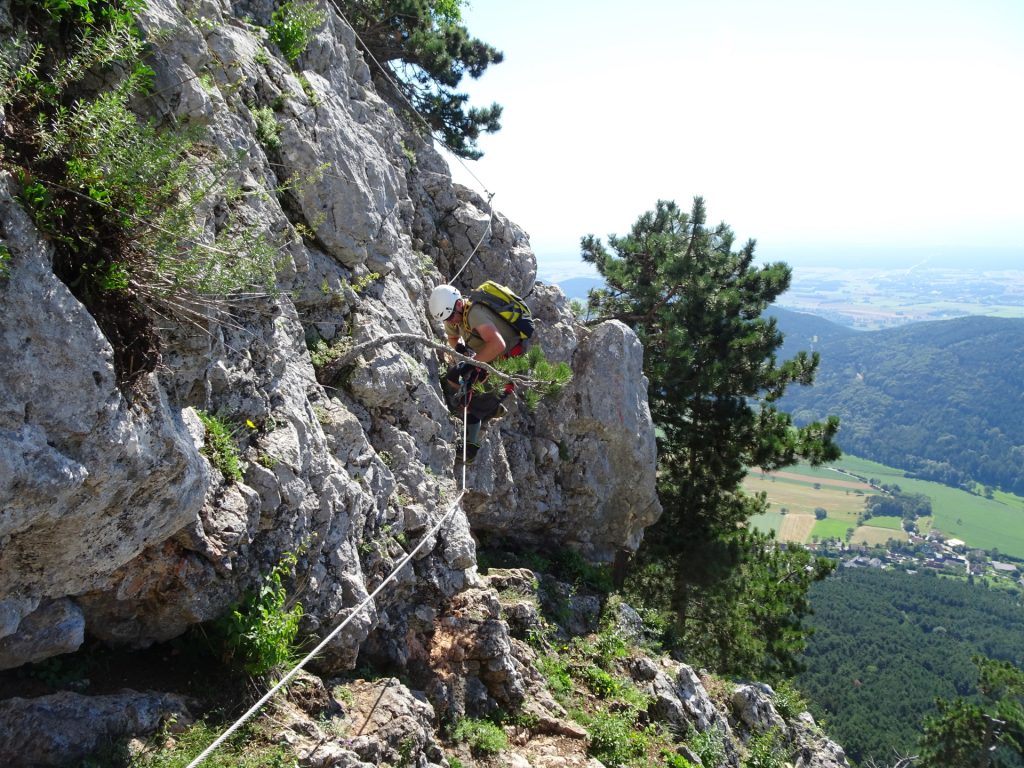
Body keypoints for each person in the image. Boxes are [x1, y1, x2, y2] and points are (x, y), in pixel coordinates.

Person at [428, 284, 526, 463]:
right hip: (489, 359)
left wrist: (470, 366)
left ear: (459, 304)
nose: (451, 322)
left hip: (510, 362)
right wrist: (462, 352)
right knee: (453, 379)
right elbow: (452, 337)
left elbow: (498, 345)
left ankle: (470, 451)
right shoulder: (453, 316)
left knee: (475, 405)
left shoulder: (475, 314)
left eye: (451, 317)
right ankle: (492, 409)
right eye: (447, 320)